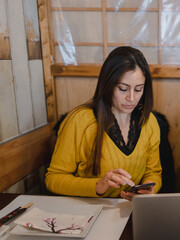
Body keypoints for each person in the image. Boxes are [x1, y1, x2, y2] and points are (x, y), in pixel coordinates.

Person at [45, 46, 162, 200]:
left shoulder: (148, 121)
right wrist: (97, 186)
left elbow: (153, 172)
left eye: (139, 89)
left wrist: (148, 189)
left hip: (130, 209)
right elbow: (53, 178)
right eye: (123, 89)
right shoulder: (80, 120)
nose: (131, 98)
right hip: (87, 212)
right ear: (108, 85)